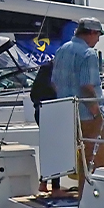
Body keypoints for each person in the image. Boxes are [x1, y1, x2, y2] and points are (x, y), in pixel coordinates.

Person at [51, 17, 104, 196]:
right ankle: (92, 200)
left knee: (82, 159)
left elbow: (54, 82)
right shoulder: (88, 54)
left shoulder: (62, 50)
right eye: (98, 34)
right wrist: (97, 114)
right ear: (91, 33)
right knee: (95, 160)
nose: (98, 39)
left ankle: (84, 198)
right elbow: (87, 86)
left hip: (67, 113)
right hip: (86, 115)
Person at [30, 62, 61, 195]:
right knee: (56, 149)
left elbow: (33, 95)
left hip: (40, 110)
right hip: (52, 111)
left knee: (49, 147)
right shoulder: (53, 74)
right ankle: (55, 187)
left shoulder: (42, 75)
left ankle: (44, 182)